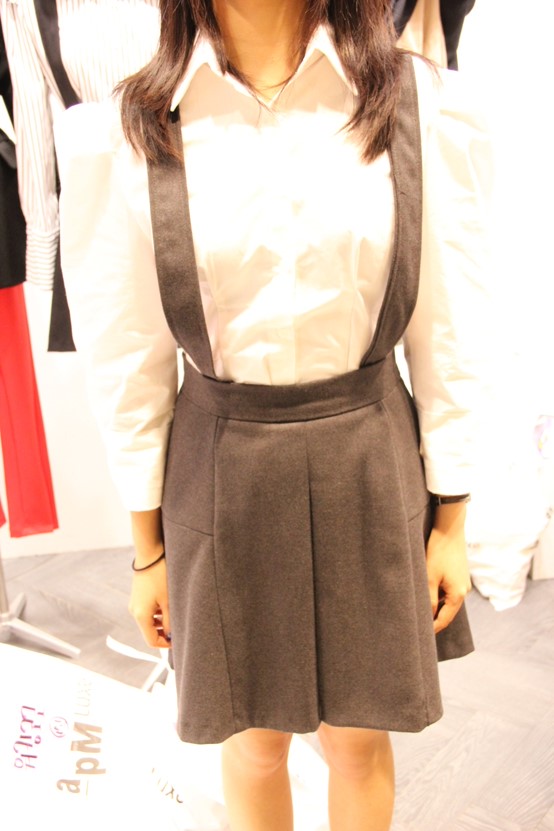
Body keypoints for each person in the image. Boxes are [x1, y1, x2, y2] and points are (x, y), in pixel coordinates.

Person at [57, 1, 491, 829]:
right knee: (251, 737)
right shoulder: (128, 130)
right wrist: (148, 551)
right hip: (223, 466)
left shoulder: (415, 103)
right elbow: (130, 358)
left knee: (358, 735)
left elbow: (449, 323)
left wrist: (453, 518)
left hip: (368, 452)